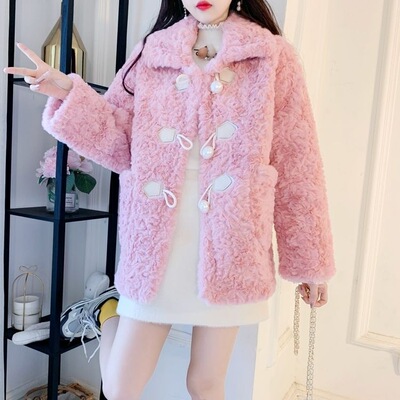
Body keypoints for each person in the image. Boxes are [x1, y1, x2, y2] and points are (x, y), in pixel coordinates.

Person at [4, 0, 335, 399]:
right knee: (121, 387)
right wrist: (67, 93)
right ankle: (107, 311)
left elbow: (298, 160)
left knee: (205, 382)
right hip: (157, 241)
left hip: (232, 245)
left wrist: (310, 262)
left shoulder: (271, 56)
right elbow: (119, 143)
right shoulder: (153, 52)